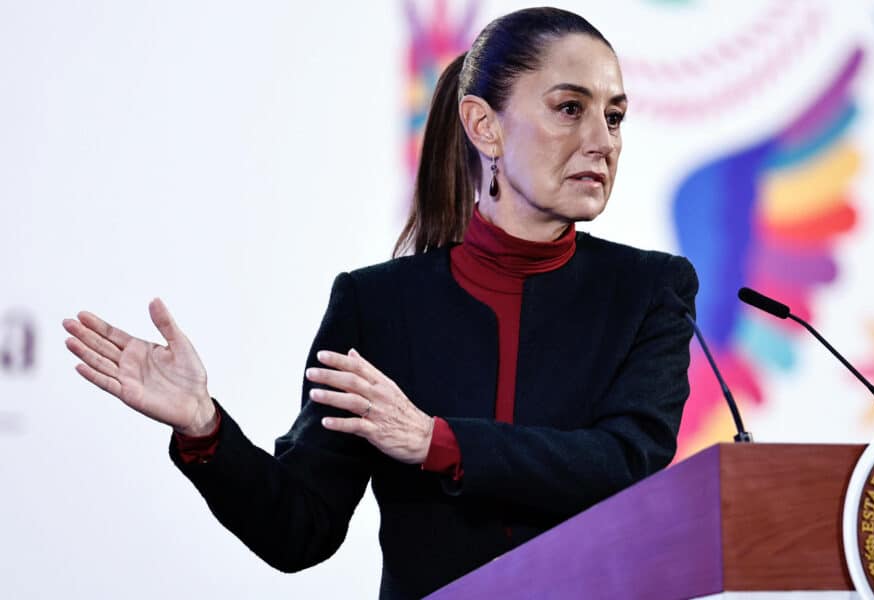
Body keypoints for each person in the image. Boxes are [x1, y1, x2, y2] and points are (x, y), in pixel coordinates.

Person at [62, 7, 697, 599]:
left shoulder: (650, 290)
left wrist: (435, 441)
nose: (603, 141)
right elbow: (300, 530)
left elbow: (626, 464)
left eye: (614, 117)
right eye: (569, 109)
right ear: (484, 126)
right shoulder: (379, 305)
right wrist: (204, 429)